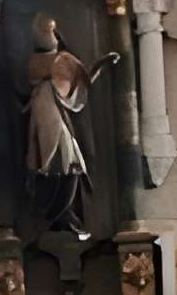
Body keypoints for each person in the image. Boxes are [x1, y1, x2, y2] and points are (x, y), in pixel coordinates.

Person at [25, 18, 117, 238]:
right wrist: (102, 64)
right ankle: (58, 216)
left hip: (47, 117)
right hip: (48, 118)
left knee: (65, 165)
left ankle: (61, 216)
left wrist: (102, 64)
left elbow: (81, 81)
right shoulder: (54, 62)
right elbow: (84, 81)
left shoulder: (44, 63)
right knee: (64, 165)